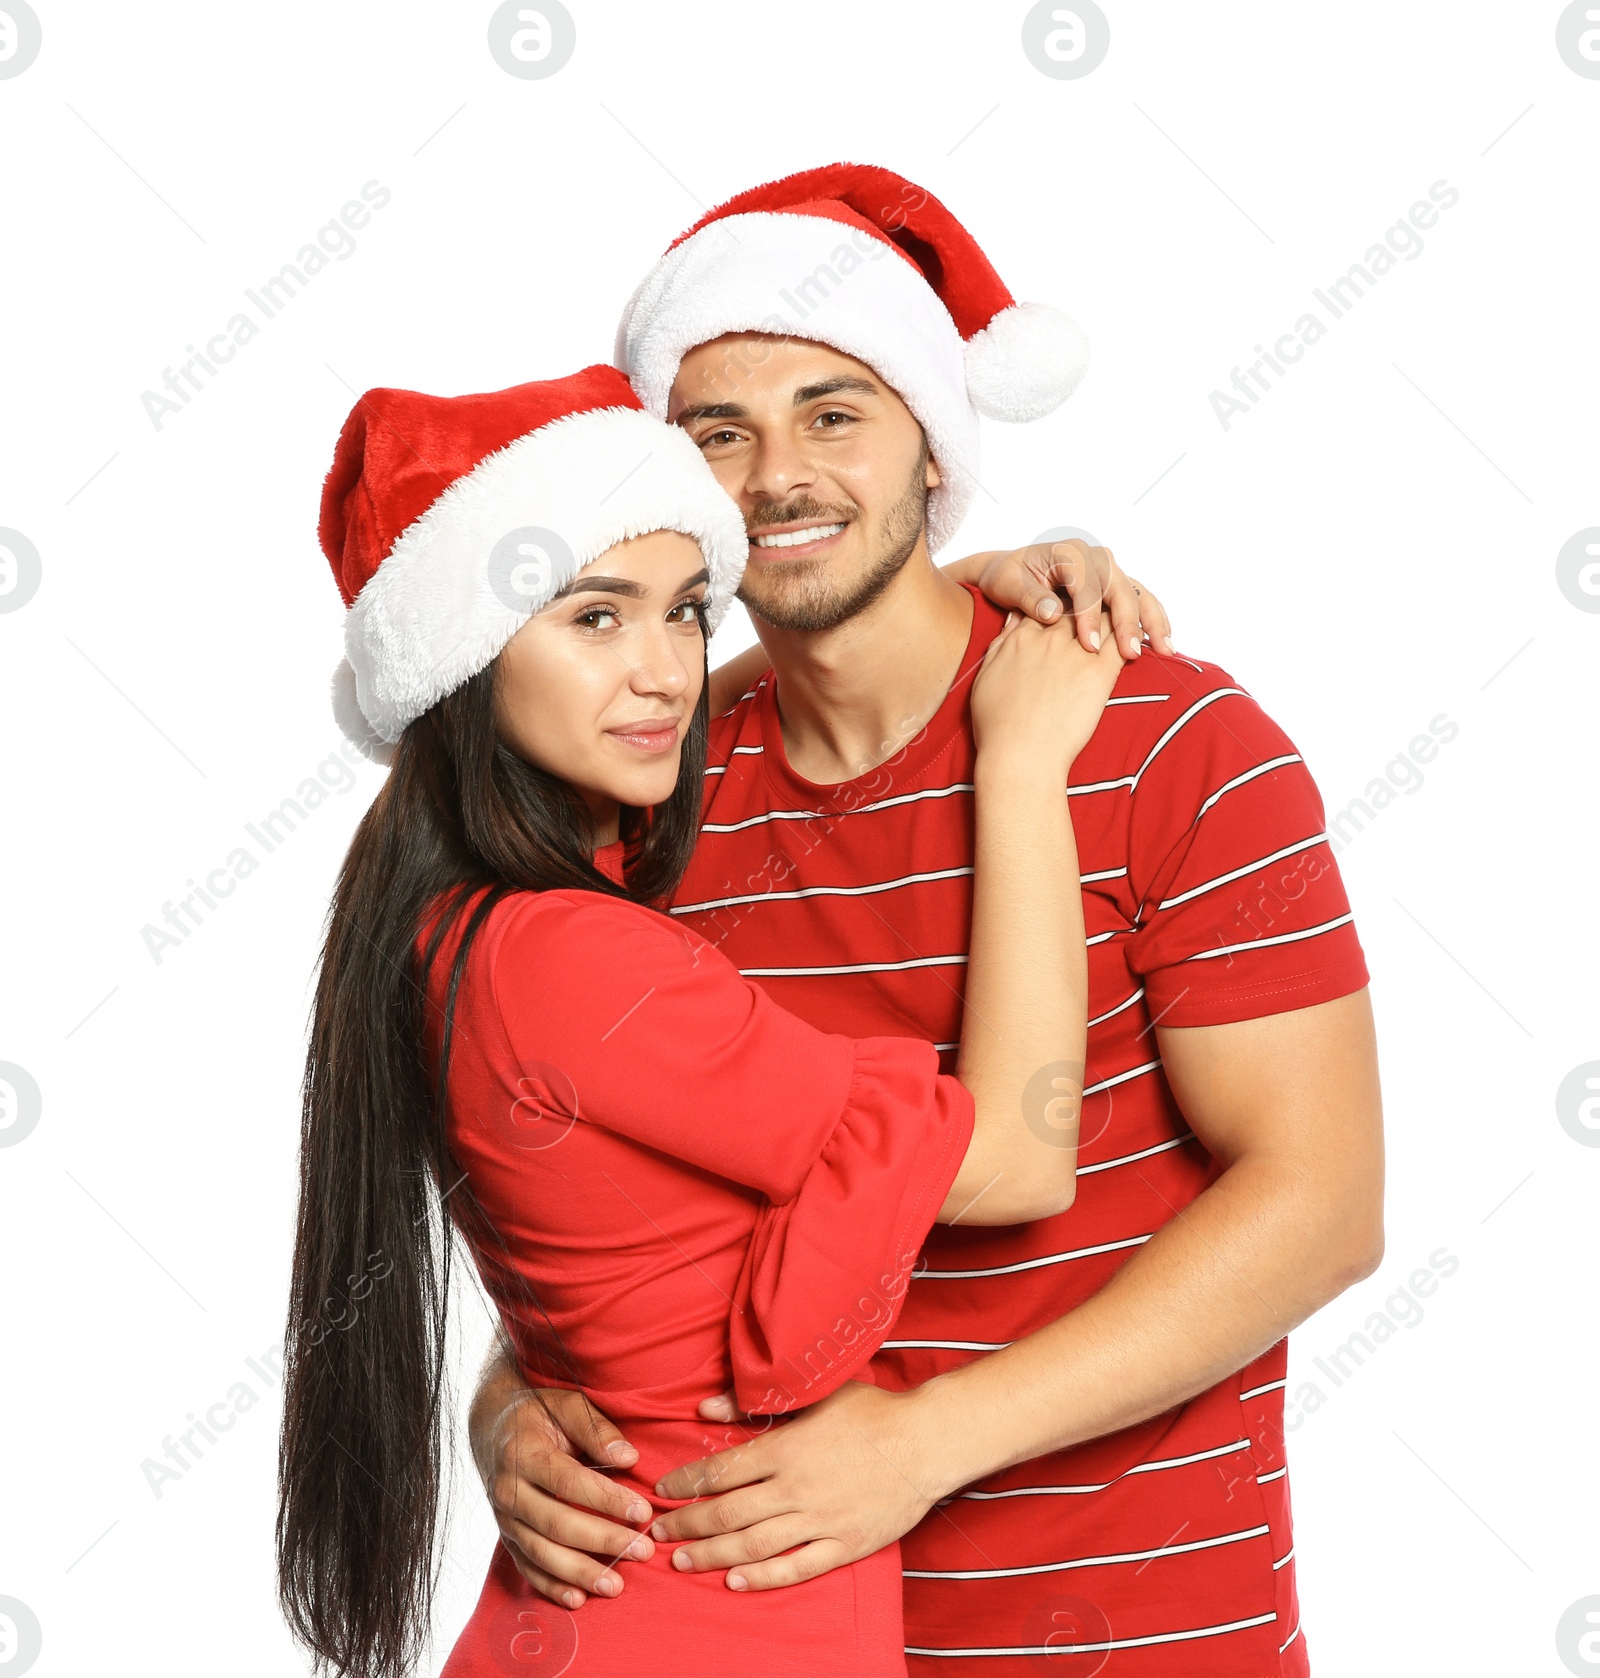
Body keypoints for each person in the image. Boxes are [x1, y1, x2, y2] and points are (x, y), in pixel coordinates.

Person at [471, 165, 1384, 1676]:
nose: (775, 474)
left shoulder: (1167, 739)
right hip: (752, 1635)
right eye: (720, 433)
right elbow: (604, 1202)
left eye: (834, 414)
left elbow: (1322, 1201)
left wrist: (928, 1445)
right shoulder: (655, 817)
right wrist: (512, 1407)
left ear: (931, 451)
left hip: (1141, 1639)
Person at [274, 363, 1136, 1678]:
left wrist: (943, 601)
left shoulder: (453, 919)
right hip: (710, 1611)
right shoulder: (572, 956)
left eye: (687, 612)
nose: (666, 672)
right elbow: (1015, 1158)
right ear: (466, 654)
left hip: (626, 1599)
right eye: (595, 618)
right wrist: (1017, 764)